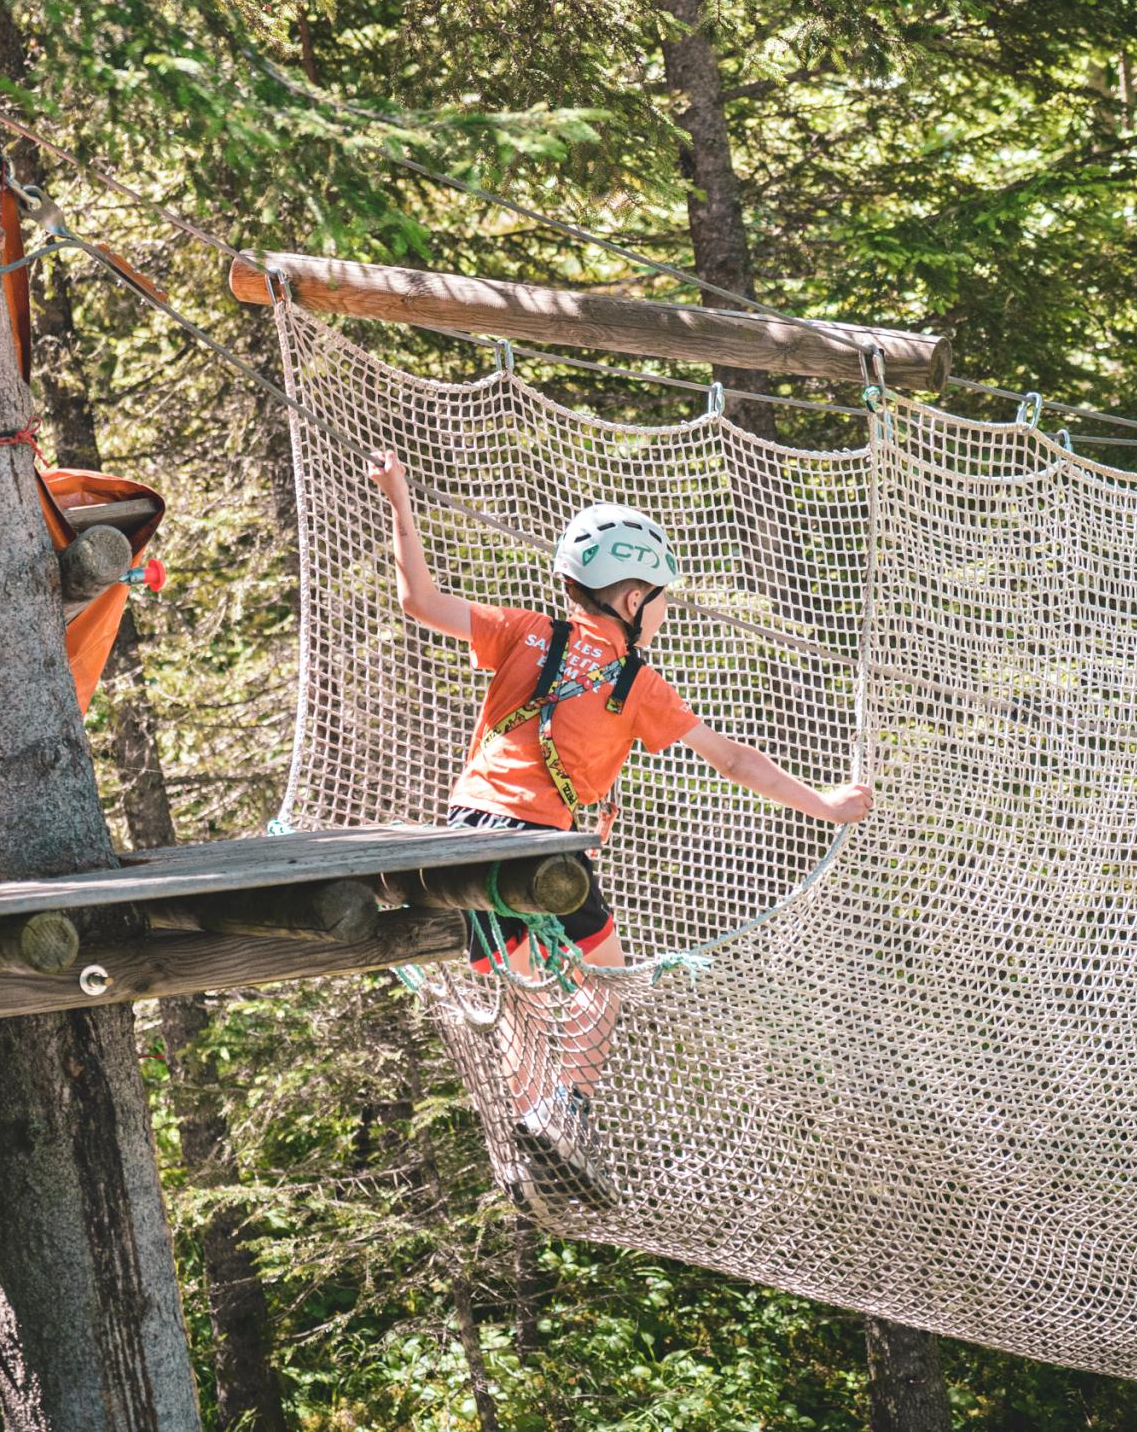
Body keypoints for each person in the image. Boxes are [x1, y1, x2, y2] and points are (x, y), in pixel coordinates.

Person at [368, 448, 872, 1203]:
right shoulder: (638, 683)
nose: (663, 613)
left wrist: (399, 502)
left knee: (521, 998)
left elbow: (421, 601)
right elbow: (734, 759)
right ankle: (565, 1110)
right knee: (602, 983)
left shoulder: (525, 631)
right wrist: (825, 805)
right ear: (633, 598)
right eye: (661, 599)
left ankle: (528, 1141)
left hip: (463, 837)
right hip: (538, 840)